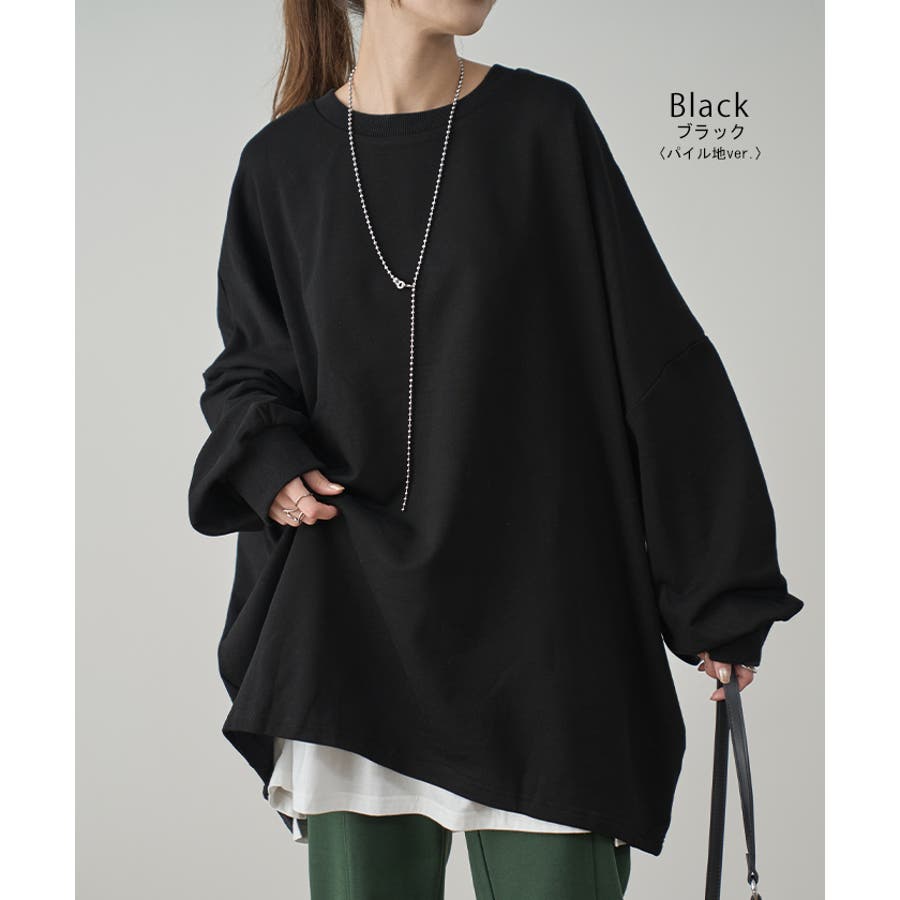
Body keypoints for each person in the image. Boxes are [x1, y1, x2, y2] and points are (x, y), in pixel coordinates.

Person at [187, 1, 804, 897]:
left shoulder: (543, 126)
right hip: (350, 634)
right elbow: (249, 367)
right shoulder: (279, 166)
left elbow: (653, 355)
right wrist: (268, 461)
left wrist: (719, 588)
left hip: (544, 636)